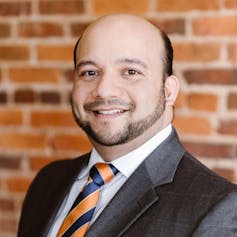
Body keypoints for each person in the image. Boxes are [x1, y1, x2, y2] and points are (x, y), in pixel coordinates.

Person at [18, 14, 237, 237]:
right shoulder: (48, 182)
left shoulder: (217, 209)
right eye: (90, 72)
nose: (104, 89)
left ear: (168, 91)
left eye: (131, 72)